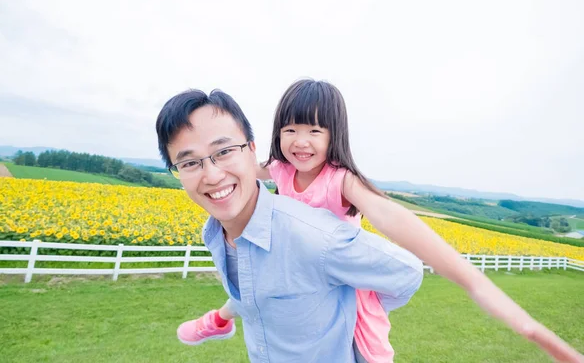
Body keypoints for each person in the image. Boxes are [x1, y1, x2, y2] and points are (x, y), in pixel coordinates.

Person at [169, 79, 584, 363]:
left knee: (369, 346)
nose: (300, 142)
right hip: (294, 261)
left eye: (314, 130)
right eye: (290, 129)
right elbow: (236, 167)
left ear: (335, 135)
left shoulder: (341, 181)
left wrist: (475, 283)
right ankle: (219, 320)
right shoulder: (277, 167)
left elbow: (389, 216)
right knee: (256, 281)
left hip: (347, 273)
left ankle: (222, 319)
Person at [156, 88, 424, 362]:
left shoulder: (334, 198)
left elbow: (407, 272)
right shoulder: (216, 231)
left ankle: (218, 320)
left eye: (224, 151)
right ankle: (218, 321)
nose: (212, 176)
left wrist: (357, 302)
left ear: (250, 148)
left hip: (341, 265)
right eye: (189, 163)